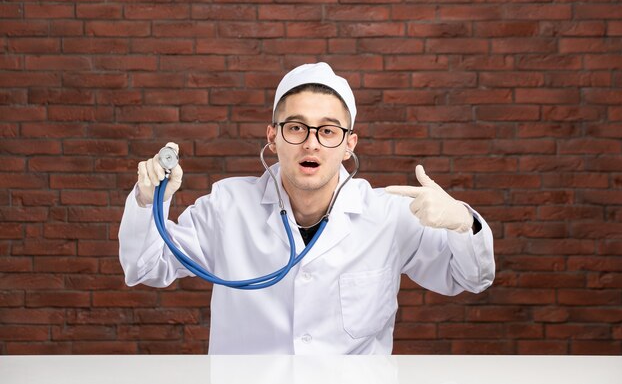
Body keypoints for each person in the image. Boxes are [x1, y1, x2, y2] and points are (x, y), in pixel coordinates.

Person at [119, 62, 495, 354]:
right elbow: (145, 267)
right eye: (296, 128)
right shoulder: (227, 206)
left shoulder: (388, 214)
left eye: (328, 131)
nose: (311, 144)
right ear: (273, 136)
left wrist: (464, 224)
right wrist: (146, 199)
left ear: (350, 144)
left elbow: (470, 278)